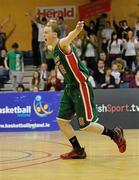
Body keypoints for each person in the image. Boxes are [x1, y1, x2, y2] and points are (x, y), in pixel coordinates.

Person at [44, 21, 126, 159]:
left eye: (46, 32)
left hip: (80, 86)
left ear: (55, 34)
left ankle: (114, 134)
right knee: (62, 121)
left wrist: (76, 30)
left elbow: (68, 38)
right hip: (69, 87)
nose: (44, 34)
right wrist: (51, 23)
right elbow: (52, 44)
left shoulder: (62, 44)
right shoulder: (52, 48)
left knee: (86, 126)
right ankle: (78, 150)